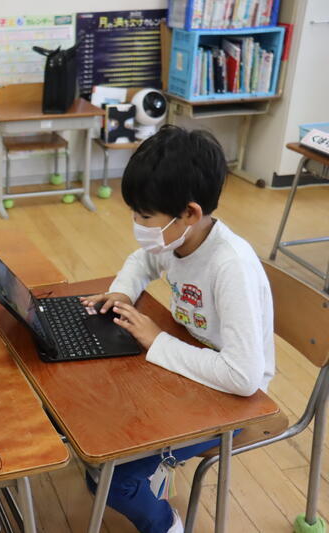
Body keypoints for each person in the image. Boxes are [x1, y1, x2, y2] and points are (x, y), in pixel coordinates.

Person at [81, 125, 274, 533]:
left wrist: (158, 340)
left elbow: (243, 378)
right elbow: (143, 259)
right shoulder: (180, 239)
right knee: (99, 440)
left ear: (190, 213)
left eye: (144, 216)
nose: (136, 224)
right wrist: (122, 291)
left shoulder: (230, 266)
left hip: (232, 400)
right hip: (190, 368)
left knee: (109, 477)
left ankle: (167, 524)